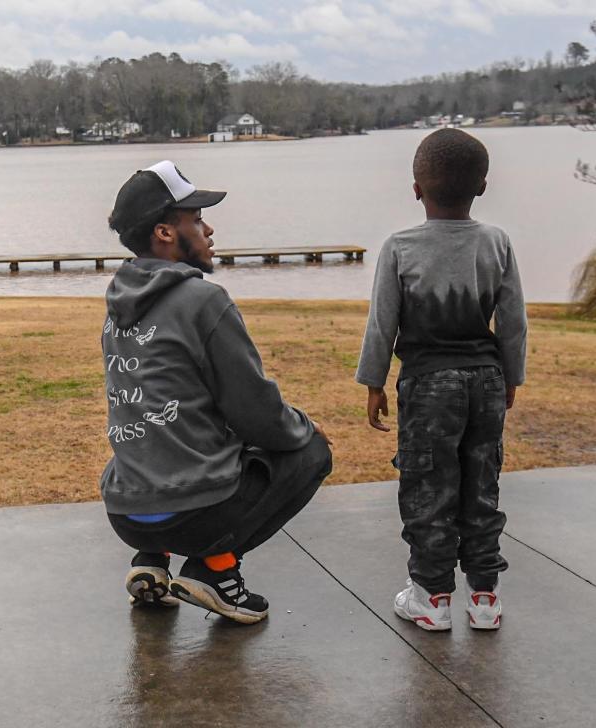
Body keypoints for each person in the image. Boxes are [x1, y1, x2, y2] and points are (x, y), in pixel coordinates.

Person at [101, 160, 333, 625]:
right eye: (197, 219)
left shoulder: (117, 306)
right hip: (193, 514)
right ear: (165, 233)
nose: (209, 228)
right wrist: (304, 425)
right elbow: (259, 416)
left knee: (155, 431)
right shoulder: (205, 302)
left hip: (126, 511)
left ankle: (151, 561)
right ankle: (214, 571)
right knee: (311, 451)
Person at [356, 129, 527, 631]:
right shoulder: (497, 243)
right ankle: (485, 598)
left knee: (429, 487)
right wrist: (511, 376)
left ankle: (431, 598)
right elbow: (513, 321)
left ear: (416, 188)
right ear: (483, 186)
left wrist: (374, 383)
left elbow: (381, 322)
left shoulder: (400, 247)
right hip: (487, 380)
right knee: (481, 485)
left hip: (429, 385)